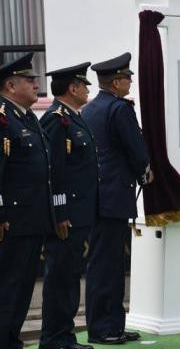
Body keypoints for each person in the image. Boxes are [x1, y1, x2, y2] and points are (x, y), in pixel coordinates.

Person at [82, 52, 153, 344]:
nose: (130, 82)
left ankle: (110, 325)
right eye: (127, 78)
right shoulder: (120, 109)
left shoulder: (90, 108)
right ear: (116, 82)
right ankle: (104, 328)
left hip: (98, 194)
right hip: (113, 194)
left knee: (104, 263)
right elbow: (135, 148)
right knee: (107, 265)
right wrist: (146, 170)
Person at [39, 62, 97, 349]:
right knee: (61, 278)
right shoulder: (56, 119)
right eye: (84, 84)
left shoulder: (75, 117)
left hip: (81, 213)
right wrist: (60, 213)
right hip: (67, 216)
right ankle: (54, 339)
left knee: (70, 277)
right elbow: (54, 172)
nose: (88, 89)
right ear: (72, 88)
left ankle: (64, 337)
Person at [0, 53, 57, 349]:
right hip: (11, 222)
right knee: (8, 287)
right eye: (30, 80)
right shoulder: (2, 119)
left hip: (32, 220)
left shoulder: (26, 118)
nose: (37, 84)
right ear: (10, 85)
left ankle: (11, 340)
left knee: (22, 289)